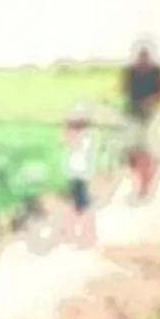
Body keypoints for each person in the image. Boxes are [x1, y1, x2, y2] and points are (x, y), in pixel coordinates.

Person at [120, 37, 160, 200]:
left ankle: (143, 188)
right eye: (140, 56)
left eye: (145, 56)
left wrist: (151, 102)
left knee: (144, 152)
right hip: (132, 114)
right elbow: (124, 90)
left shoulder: (157, 72)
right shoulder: (130, 72)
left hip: (149, 116)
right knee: (130, 154)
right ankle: (143, 181)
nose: (142, 59)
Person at [61, 103, 100, 246]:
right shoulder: (89, 134)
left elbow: (68, 140)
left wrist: (68, 129)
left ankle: (82, 235)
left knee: (80, 206)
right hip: (78, 174)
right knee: (79, 205)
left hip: (78, 174)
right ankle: (79, 235)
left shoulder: (86, 136)